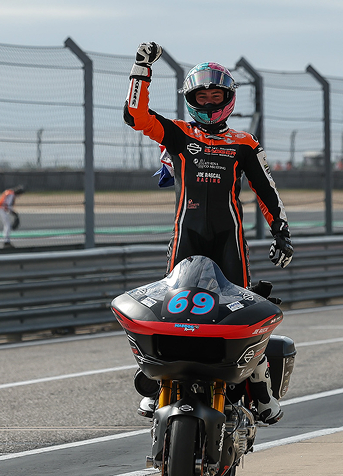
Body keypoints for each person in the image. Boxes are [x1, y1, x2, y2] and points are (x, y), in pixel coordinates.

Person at [123, 42, 293, 425]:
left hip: (229, 242)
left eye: (216, 94)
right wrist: (141, 69)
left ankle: (261, 394)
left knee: (245, 319)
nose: (210, 100)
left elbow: (267, 190)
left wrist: (281, 231)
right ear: (191, 98)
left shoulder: (244, 143)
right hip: (186, 239)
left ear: (229, 98)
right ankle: (156, 383)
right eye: (203, 94)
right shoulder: (178, 134)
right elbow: (135, 116)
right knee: (167, 314)